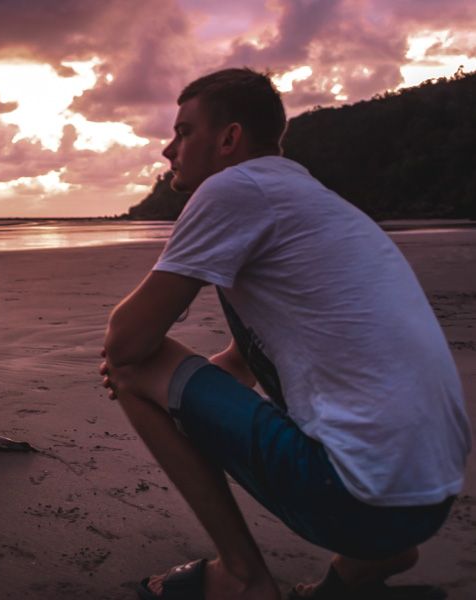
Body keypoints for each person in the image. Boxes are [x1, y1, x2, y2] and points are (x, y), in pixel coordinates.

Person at [100, 68, 470, 600]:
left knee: (132, 366)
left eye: (183, 132)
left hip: (356, 499)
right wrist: (182, 400)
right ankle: (370, 563)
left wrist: (141, 380)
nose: (167, 149)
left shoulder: (233, 188)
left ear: (229, 139)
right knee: (152, 372)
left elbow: (126, 344)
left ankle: (243, 577)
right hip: (427, 500)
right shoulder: (311, 202)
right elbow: (240, 365)